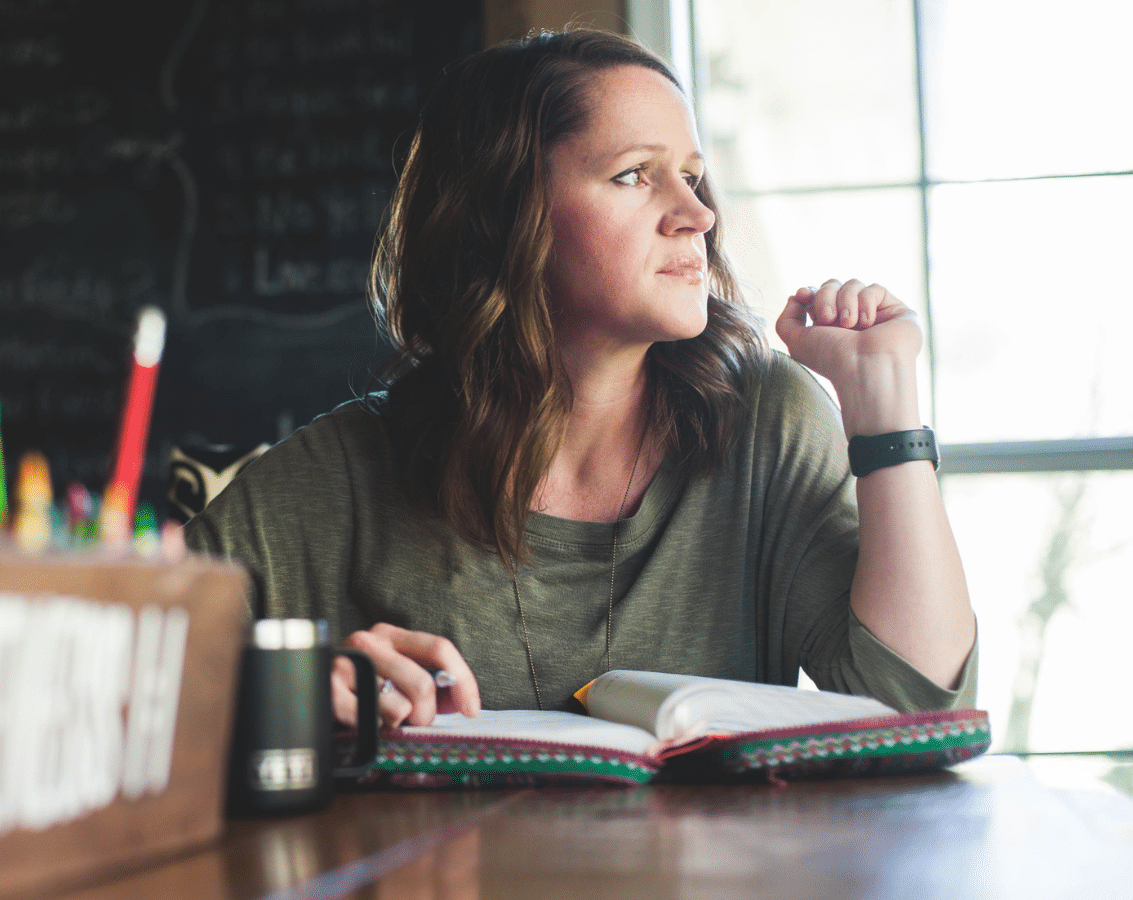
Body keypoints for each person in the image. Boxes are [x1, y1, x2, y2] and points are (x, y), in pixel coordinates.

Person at [186, 28, 976, 729]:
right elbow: (119, 679)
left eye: (692, 175)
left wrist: (883, 408)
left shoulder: (766, 424)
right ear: (505, 214)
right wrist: (280, 689)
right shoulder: (344, 477)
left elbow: (912, 708)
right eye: (636, 175)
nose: (695, 214)